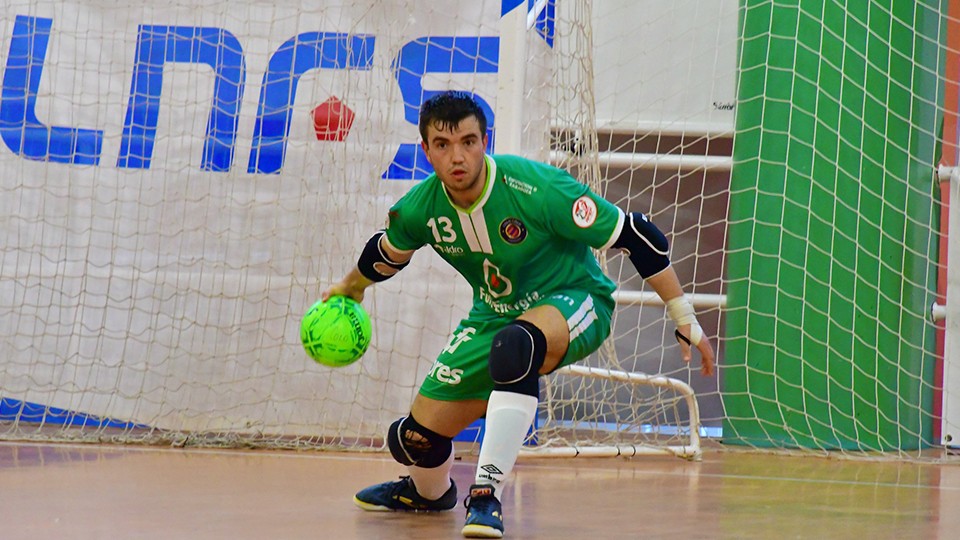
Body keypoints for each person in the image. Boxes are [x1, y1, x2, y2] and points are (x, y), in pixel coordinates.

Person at [322, 90, 715, 539]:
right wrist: (349, 289)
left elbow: (638, 235)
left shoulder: (536, 188)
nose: (458, 157)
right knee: (415, 439)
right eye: (444, 145)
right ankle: (427, 494)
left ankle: (486, 495)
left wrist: (684, 317)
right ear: (426, 148)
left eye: (468, 141)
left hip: (575, 297)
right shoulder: (420, 207)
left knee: (515, 347)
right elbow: (386, 253)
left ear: (484, 140)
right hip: (492, 315)